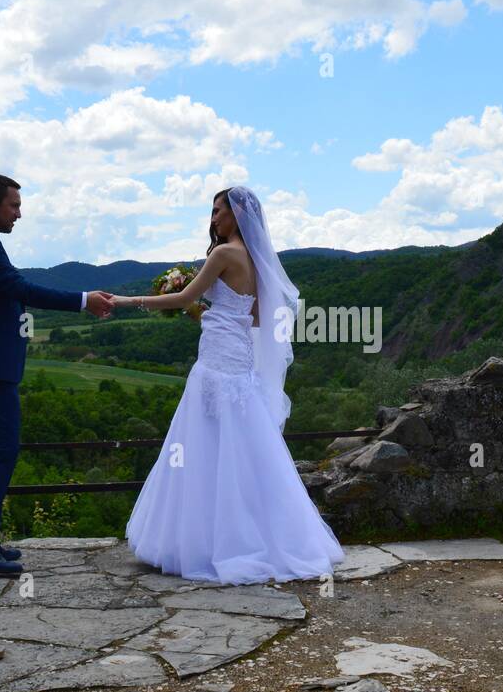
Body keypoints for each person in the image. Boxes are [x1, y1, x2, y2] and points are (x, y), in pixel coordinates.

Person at [114, 185, 344, 583]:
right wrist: (205, 316)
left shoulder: (222, 254)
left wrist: (125, 301)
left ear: (237, 215)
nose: (213, 218)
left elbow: (184, 296)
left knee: (200, 445)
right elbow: (252, 318)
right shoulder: (255, 261)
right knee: (241, 448)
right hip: (238, 359)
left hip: (217, 364)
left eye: (218, 211)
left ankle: (204, 544)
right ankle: (260, 538)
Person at [0, 173, 113, 576]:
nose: (19, 214)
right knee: (1, 449)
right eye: (14, 206)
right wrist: (82, 300)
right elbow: (19, 287)